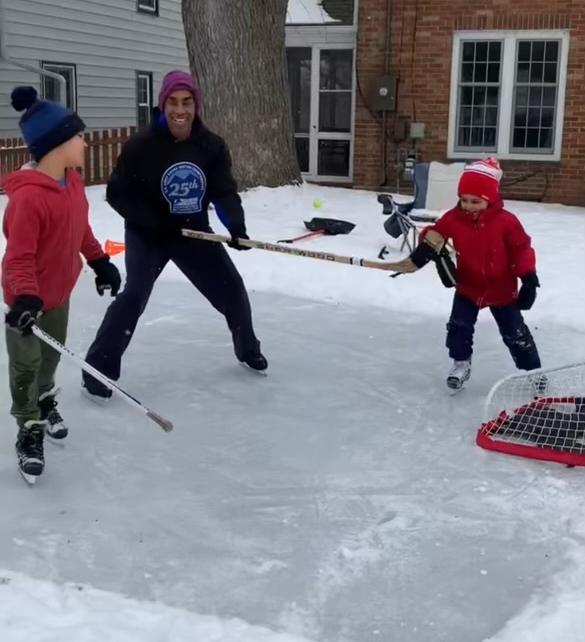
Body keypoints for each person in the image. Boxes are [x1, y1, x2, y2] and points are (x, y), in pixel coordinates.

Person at [82, 70, 266, 401]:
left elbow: (223, 192)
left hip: (193, 233)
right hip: (147, 235)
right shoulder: (141, 145)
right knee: (134, 295)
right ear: (163, 104)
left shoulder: (211, 146)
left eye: (187, 102)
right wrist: (153, 221)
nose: (179, 110)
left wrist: (235, 227)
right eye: (173, 102)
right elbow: (117, 194)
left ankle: (248, 349)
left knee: (232, 289)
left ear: (196, 106)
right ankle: (98, 369)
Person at [2, 86, 121, 478]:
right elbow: (17, 257)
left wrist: (99, 260)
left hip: (59, 294)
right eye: (77, 136)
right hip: (26, 303)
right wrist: (24, 298)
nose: (84, 142)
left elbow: (79, 227)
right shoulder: (28, 200)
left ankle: (46, 400)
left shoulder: (71, 182)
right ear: (55, 145)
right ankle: (28, 429)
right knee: (26, 365)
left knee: (50, 359)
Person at [405, 158, 542, 390]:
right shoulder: (454, 218)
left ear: (490, 199)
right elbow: (435, 232)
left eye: (475, 201)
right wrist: (427, 246)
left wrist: (528, 277)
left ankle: (534, 371)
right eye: (463, 199)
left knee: (515, 333)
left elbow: (522, 249)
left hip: (501, 289)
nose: (467, 206)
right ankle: (461, 363)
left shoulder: (506, 222)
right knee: (459, 327)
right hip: (468, 286)